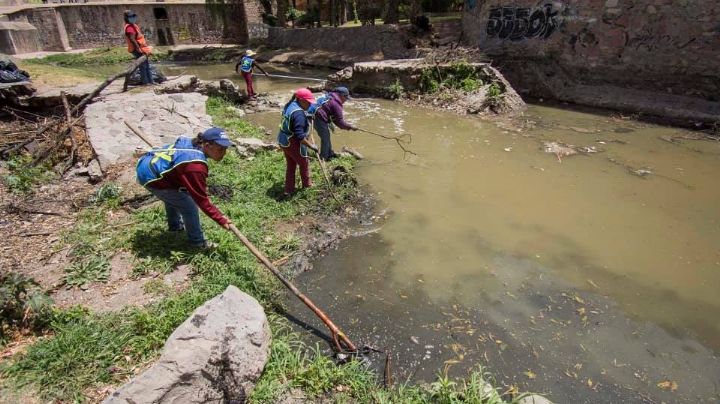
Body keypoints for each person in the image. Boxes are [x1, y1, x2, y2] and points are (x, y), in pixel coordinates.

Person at [136, 128, 234, 249]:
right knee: (189, 206)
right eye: (220, 149)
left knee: (175, 196)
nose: (224, 153)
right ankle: (197, 243)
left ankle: (175, 227)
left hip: (150, 165)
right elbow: (201, 200)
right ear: (207, 145)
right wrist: (221, 219)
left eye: (225, 149)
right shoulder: (195, 166)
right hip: (151, 177)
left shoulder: (190, 143)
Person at [277, 88, 319, 198]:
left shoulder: (290, 105)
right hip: (292, 141)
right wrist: (312, 146)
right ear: (301, 100)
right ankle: (307, 186)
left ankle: (289, 189)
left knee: (291, 164)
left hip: (283, 139)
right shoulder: (299, 114)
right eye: (308, 102)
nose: (310, 105)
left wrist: (307, 116)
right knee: (304, 163)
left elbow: (293, 120)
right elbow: (300, 136)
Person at [310, 86, 358, 160]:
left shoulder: (329, 96)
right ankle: (324, 158)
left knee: (326, 135)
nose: (346, 100)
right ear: (341, 95)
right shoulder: (336, 104)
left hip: (311, 113)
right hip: (317, 117)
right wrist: (351, 127)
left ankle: (329, 153)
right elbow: (340, 123)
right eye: (346, 98)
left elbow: (335, 120)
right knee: (325, 137)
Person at [124, 10, 154, 85]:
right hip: (136, 49)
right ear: (127, 18)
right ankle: (146, 82)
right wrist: (138, 49)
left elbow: (139, 37)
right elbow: (132, 39)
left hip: (141, 48)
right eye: (131, 17)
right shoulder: (129, 28)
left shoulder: (133, 25)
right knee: (143, 66)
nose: (133, 18)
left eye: (134, 16)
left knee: (146, 65)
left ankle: (150, 81)